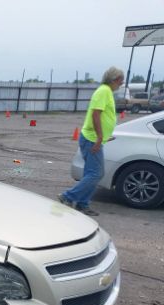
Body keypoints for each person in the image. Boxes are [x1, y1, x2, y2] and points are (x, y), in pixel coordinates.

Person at [59, 67, 124, 216]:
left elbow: (101, 117)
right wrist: (100, 137)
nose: (121, 84)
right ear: (114, 80)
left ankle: (82, 204)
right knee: (96, 173)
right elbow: (96, 115)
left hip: (93, 138)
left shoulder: (105, 91)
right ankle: (68, 196)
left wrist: (105, 136)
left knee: (92, 173)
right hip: (92, 139)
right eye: (121, 81)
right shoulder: (104, 91)